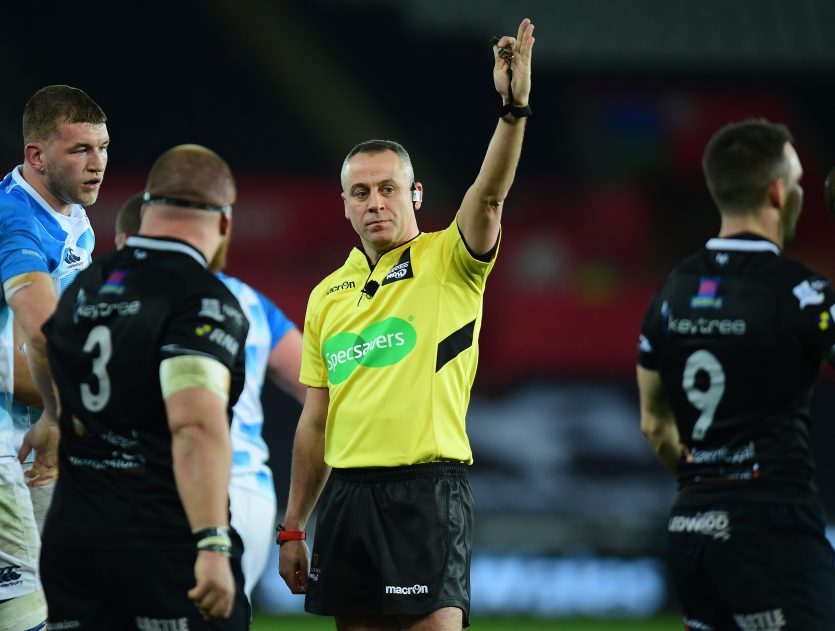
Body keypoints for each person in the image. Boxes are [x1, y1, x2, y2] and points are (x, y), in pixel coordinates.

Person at [278, 17, 534, 631]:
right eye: (361, 192)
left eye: (388, 189)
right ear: (344, 204)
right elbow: (315, 420)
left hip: (428, 493)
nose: (375, 203)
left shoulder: (450, 259)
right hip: (347, 498)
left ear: (415, 194)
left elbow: (489, 195)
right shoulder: (326, 295)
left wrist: (513, 110)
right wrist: (293, 526)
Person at [27, 144, 251, 627]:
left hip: (73, 546)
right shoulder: (203, 299)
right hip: (163, 544)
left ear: (147, 210)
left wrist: (52, 415)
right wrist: (212, 542)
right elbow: (194, 426)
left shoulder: (86, 284)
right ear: (224, 221)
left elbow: (41, 345)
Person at [637, 119, 835, 629]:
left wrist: (712, 491)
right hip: (772, 527)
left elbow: (654, 424)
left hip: (692, 527)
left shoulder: (672, 291)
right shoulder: (800, 292)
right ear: (778, 192)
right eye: (797, 182)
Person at [115, 192, 306, 600]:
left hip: (173, 485)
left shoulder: (125, 299)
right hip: (250, 493)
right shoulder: (250, 299)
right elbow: (318, 388)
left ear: (128, 240)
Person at [0, 84, 107, 630]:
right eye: (80, 150)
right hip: (12, 439)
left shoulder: (74, 220)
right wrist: (60, 416)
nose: (97, 163)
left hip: (34, 433)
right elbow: (42, 331)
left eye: (103, 148)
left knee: (68, 595)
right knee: (26, 607)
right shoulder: (12, 218)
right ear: (37, 156)